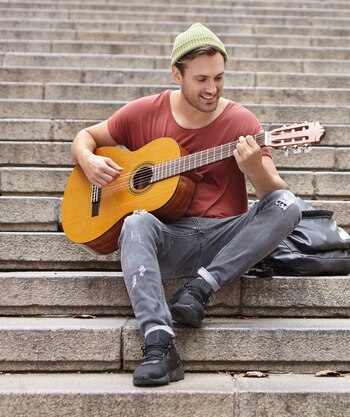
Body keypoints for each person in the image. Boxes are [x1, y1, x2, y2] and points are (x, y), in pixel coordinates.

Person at [69, 23, 301, 387]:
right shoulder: (145, 112)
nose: (212, 89)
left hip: (224, 240)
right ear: (176, 74)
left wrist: (255, 167)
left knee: (288, 203)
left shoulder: (242, 122)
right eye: (202, 79)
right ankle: (159, 345)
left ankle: (199, 289)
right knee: (135, 222)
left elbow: (274, 194)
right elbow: (86, 137)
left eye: (220, 78)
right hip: (168, 238)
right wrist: (88, 159)